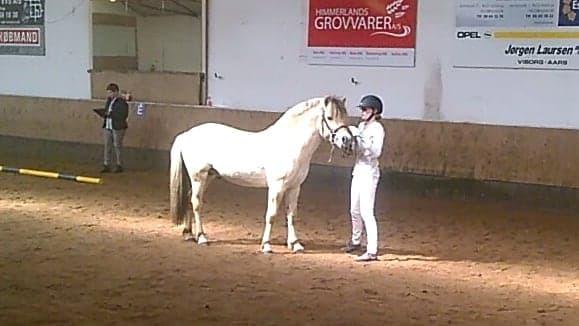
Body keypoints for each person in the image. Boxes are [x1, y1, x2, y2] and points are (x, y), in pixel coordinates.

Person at [342, 94, 385, 262]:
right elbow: (355, 149)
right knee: (354, 209)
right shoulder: (361, 126)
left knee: (367, 211)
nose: (362, 112)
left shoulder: (377, 129)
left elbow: (376, 152)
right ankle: (355, 240)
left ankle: (372, 250)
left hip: (369, 172)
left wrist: (361, 140)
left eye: (365, 110)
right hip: (358, 170)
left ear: (374, 111)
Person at [101, 83, 129, 173]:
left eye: (110, 92)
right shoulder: (109, 100)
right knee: (107, 145)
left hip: (118, 126)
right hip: (108, 125)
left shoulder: (122, 102)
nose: (109, 95)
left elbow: (123, 114)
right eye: (108, 93)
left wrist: (111, 114)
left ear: (116, 92)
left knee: (117, 145)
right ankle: (106, 164)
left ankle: (119, 164)